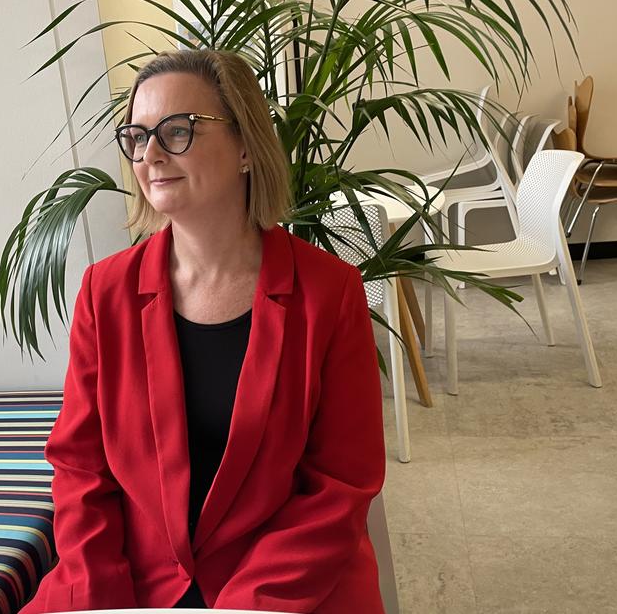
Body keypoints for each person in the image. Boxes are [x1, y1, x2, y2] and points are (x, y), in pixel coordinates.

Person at [19, 49, 386, 613]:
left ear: (245, 146)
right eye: (138, 136)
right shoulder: (105, 291)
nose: (151, 155)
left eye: (179, 130)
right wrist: (101, 598)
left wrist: (246, 606)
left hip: (284, 587)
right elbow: (81, 468)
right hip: (133, 585)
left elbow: (340, 485)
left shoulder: (329, 293)